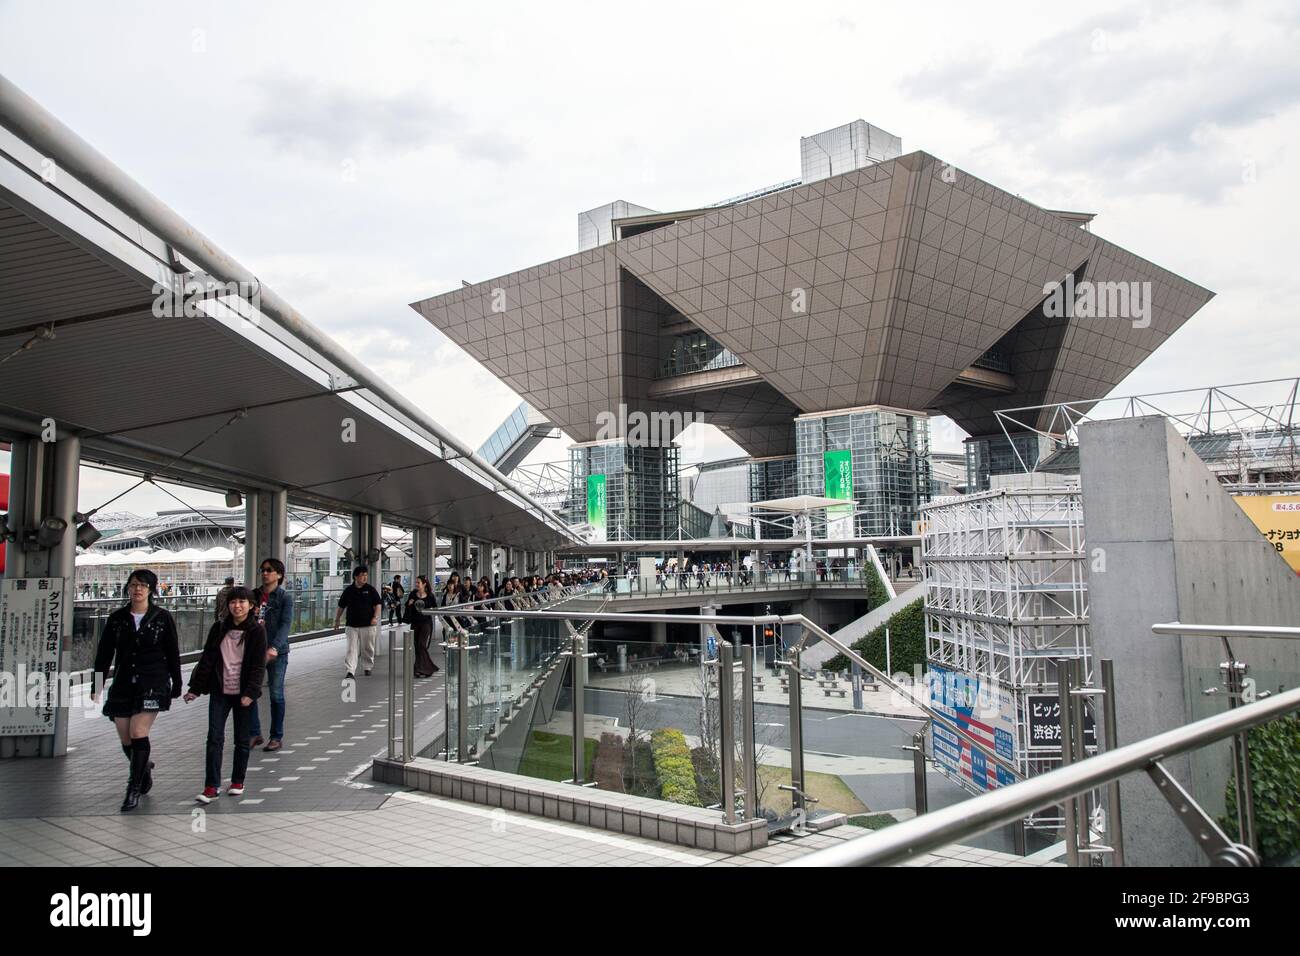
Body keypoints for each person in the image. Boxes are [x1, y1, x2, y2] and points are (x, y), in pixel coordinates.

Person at [90, 568, 182, 812]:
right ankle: (143, 767)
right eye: (133, 585)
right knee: (125, 737)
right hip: (123, 682)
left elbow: (172, 652)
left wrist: (177, 682)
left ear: (151, 589)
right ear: (128, 588)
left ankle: (133, 787)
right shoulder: (117, 619)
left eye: (143, 585)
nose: (138, 589)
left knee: (138, 731)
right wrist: (96, 684)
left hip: (153, 682)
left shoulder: (162, 618)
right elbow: (104, 654)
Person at [183, 586, 267, 803]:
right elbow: (207, 660)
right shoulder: (219, 628)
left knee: (241, 739)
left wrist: (251, 692)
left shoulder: (257, 631)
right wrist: (195, 689)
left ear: (251, 606)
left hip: (244, 694)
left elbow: (258, 666)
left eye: (242, 602)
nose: (237, 606)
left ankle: (238, 780)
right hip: (220, 691)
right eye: (233, 602)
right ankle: (211, 786)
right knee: (214, 738)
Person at [249, 557, 294, 752]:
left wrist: (275, 647)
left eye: (269, 570)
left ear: (279, 574)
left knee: (276, 694)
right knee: (249, 692)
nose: (264, 573)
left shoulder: (284, 598)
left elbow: (286, 624)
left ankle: (276, 736)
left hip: (278, 652)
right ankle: (254, 732)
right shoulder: (253, 595)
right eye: (262, 569)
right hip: (254, 651)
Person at [334, 565, 382, 680]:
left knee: (368, 647)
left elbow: (378, 604)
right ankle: (350, 670)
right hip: (352, 625)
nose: (365, 578)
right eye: (362, 575)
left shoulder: (370, 590)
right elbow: (341, 606)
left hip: (368, 625)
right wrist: (337, 620)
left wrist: (375, 617)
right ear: (355, 576)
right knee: (351, 648)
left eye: (366, 575)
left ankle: (367, 666)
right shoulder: (349, 590)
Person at [404, 575, 439, 678]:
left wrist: (430, 610)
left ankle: (425, 668)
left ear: (424, 584)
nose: (416, 584)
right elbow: (407, 606)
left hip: (426, 623)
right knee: (417, 646)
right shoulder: (413, 594)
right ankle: (420, 668)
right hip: (415, 623)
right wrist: (409, 604)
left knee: (422, 645)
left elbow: (435, 607)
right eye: (416, 582)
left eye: (418, 582)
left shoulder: (430, 595)